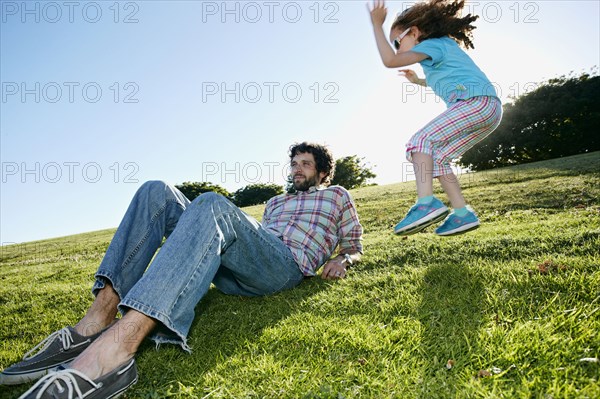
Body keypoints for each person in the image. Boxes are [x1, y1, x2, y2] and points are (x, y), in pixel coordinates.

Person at [1, 142, 363, 399]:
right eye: (294, 163)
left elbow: (354, 243)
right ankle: (93, 322)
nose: (297, 169)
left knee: (212, 204)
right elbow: (252, 236)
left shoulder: (337, 196)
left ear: (323, 171)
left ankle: (117, 350)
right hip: (244, 264)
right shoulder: (274, 202)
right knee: (155, 191)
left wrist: (342, 259)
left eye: (305, 164)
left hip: (283, 267)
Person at [368, 0, 503, 236]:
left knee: (420, 142)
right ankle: (462, 214)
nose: (399, 50)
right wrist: (416, 81)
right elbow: (441, 79)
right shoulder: (440, 53)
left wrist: (376, 25)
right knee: (438, 158)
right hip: (488, 110)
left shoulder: (433, 45)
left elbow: (390, 61)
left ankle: (426, 203)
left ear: (416, 32)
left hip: (475, 103)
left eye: (398, 42)